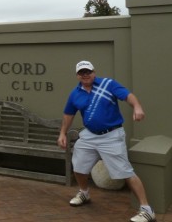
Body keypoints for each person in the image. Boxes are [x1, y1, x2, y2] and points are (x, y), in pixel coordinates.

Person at [57, 60, 155, 222]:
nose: (85, 75)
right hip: (89, 135)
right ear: (77, 75)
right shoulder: (75, 94)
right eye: (82, 72)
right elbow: (68, 114)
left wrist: (137, 107)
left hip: (111, 136)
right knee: (79, 166)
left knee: (125, 172)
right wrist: (62, 133)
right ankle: (84, 193)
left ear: (94, 72)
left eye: (88, 71)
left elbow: (128, 95)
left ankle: (147, 209)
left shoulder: (108, 84)